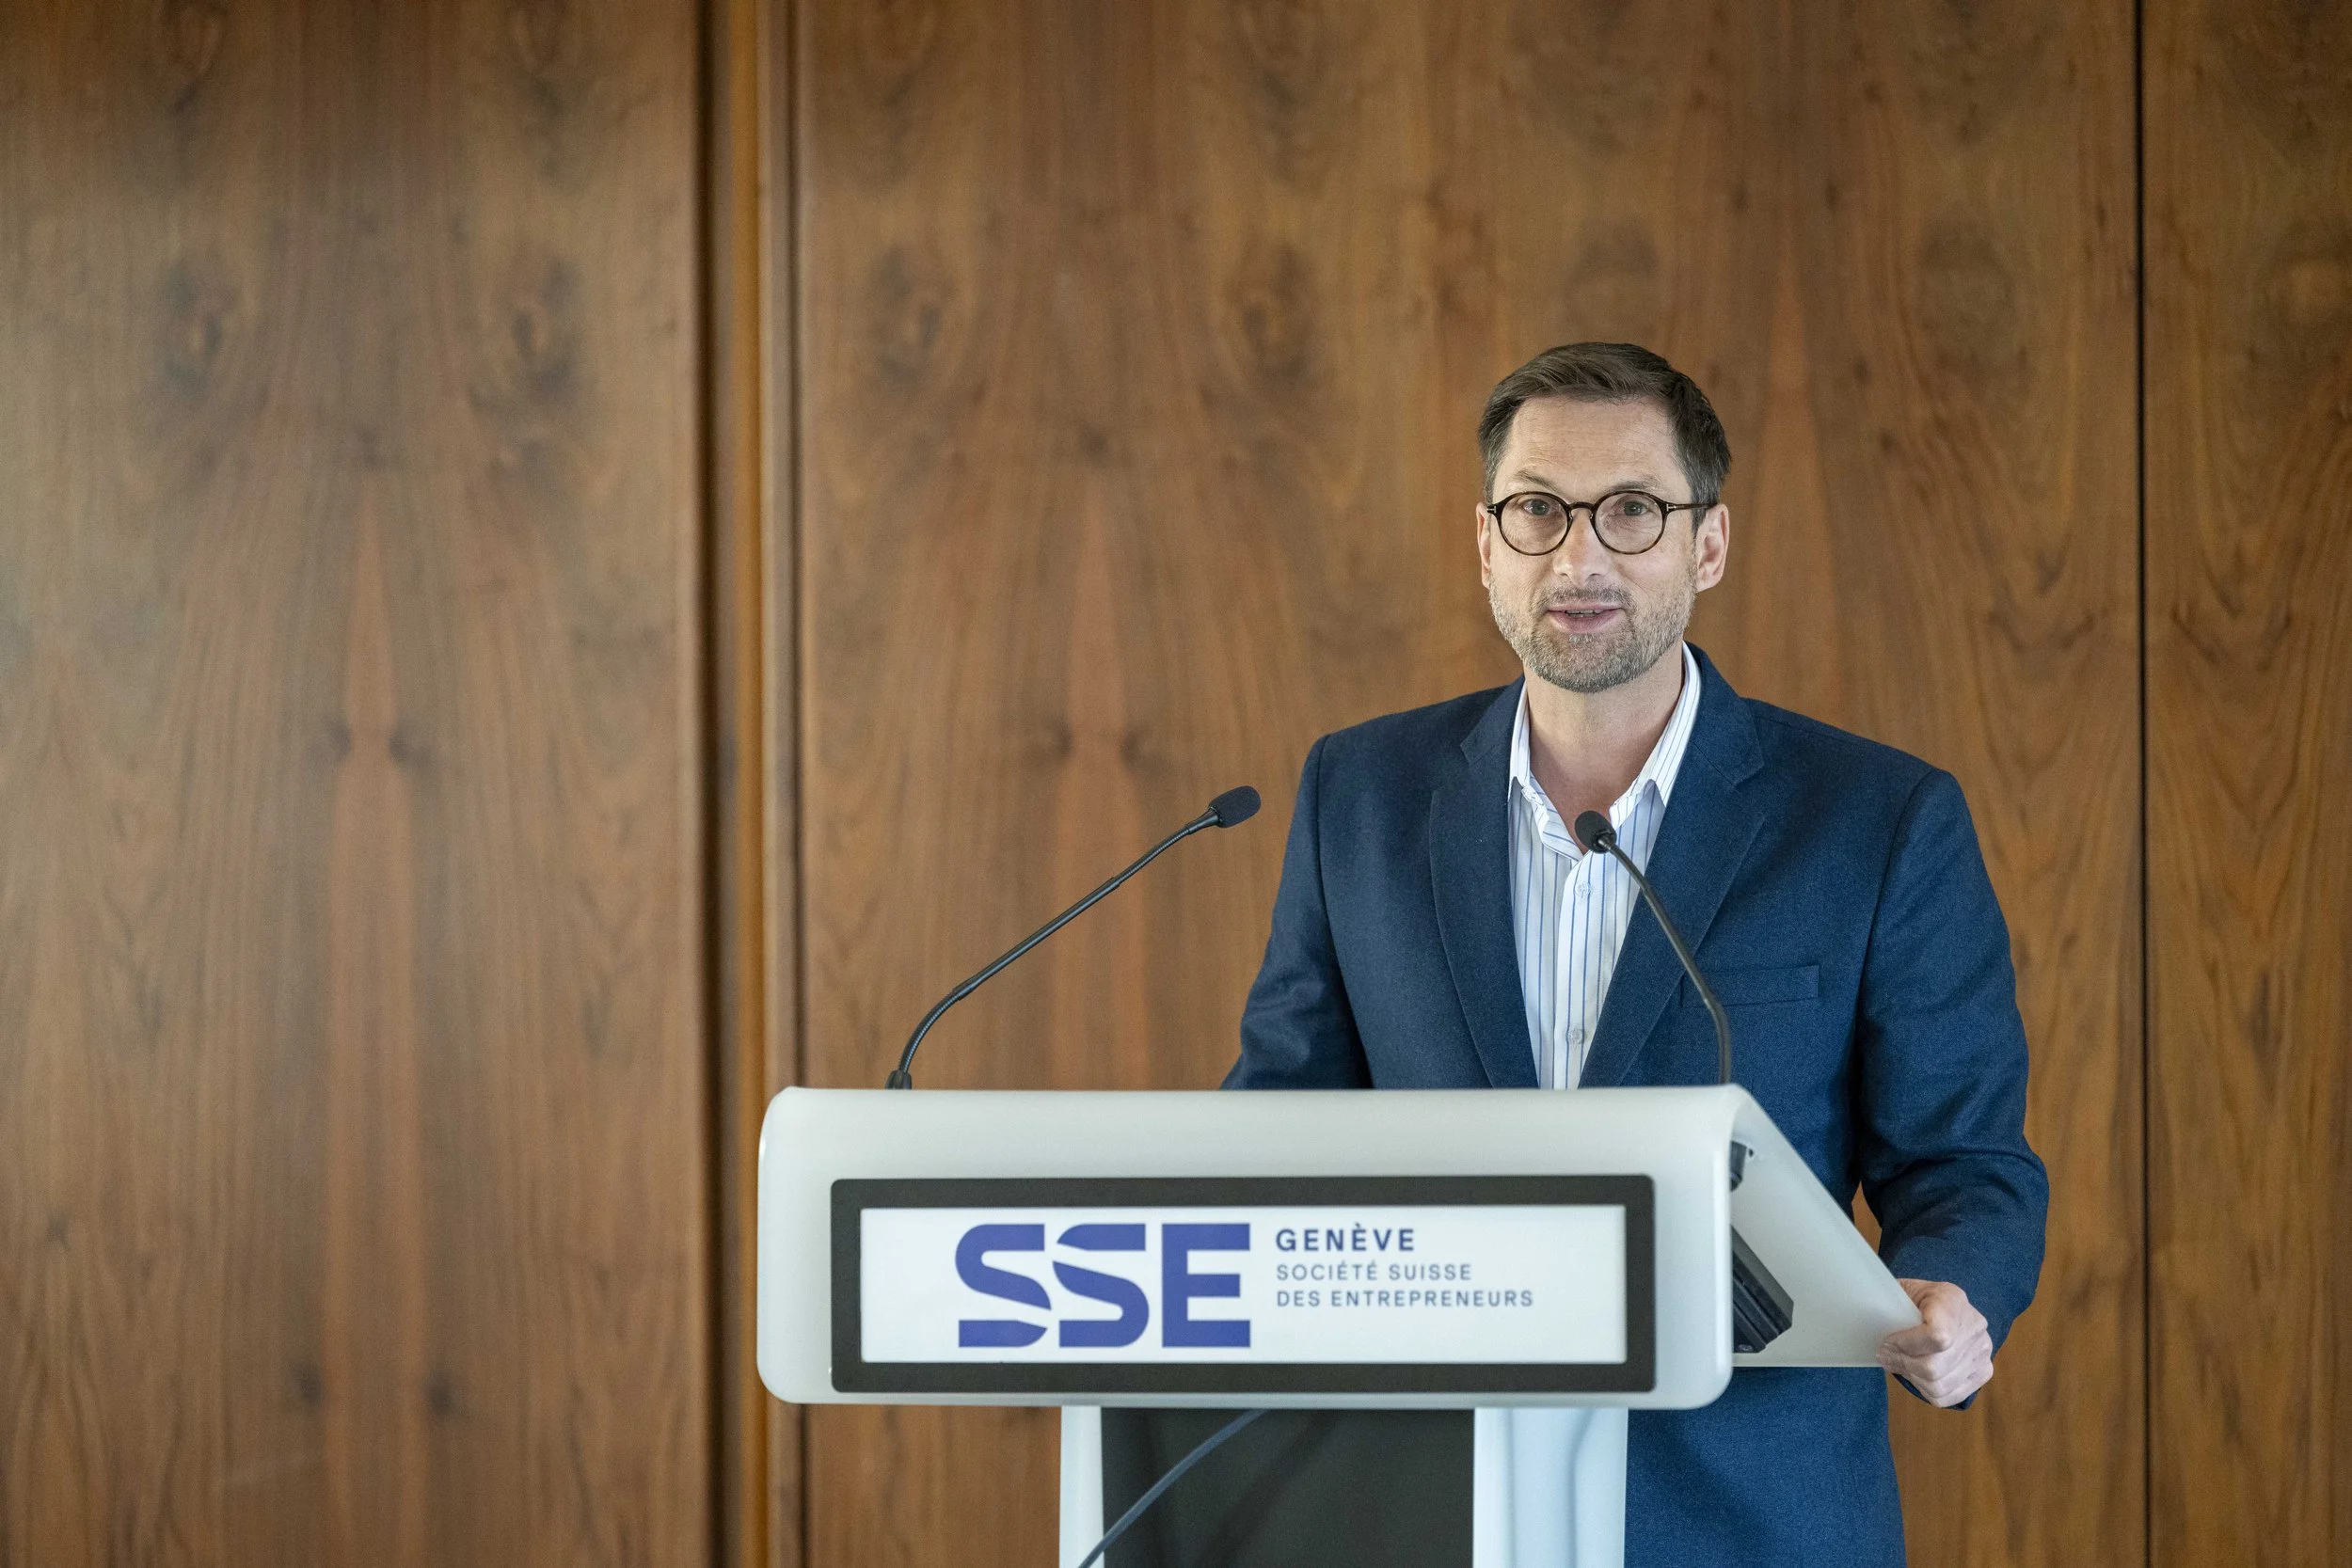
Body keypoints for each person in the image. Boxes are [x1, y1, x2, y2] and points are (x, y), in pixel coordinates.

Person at [1223, 342, 2048, 1567]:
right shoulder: (1362, 793)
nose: (1580, 555)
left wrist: (1953, 1293)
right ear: (1486, 541)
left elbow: (1964, 1159)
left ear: (1706, 544)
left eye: (1631, 511)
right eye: (1540, 510)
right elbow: (1282, 1118)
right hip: (1422, 1506)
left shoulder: (1875, 819)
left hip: (1748, 1515)